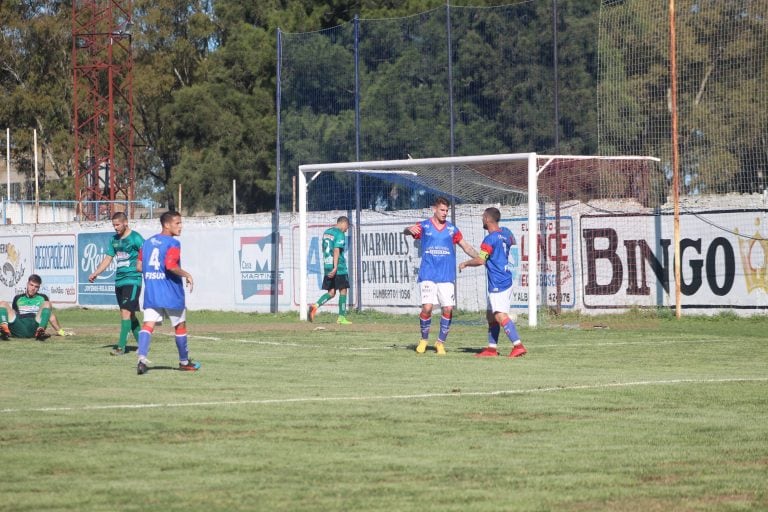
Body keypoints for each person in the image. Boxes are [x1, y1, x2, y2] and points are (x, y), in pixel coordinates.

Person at [403, 197, 478, 355]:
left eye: (446, 211)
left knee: (448, 308)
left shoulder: (452, 229)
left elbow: (466, 246)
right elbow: (407, 231)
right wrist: (408, 229)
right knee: (427, 307)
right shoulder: (424, 226)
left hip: (446, 275)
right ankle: (424, 340)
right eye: (442, 210)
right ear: (434, 209)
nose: (445, 213)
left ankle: (440, 343)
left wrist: (479, 257)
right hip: (428, 273)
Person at [135, 211, 199, 375]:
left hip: (153, 291)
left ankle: (141, 359)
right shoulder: (172, 243)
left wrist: (153, 275)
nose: (180, 226)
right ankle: (184, 362)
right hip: (171, 291)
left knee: (148, 325)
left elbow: (139, 267)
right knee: (180, 326)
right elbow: (170, 266)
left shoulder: (147, 243)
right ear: (167, 225)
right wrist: (187, 274)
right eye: (177, 223)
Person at [458, 207, 527, 358]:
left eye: (483, 217)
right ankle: (491, 349)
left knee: (499, 315)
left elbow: (481, 260)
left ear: (488, 219)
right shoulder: (506, 232)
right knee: (490, 315)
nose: (482, 219)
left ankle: (518, 345)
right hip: (506, 277)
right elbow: (512, 242)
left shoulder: (489, 239)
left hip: (498, 281)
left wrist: (466, 263)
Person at [88, 211, 145, 356]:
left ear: (125, 223)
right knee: (130, 315)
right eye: (113, 225)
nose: (115, 228)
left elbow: (146, 253)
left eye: (117, 224)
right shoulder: (114, 240)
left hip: (133, 280)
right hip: (119, 281)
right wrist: (96, 273)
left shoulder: (136, 238)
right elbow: (108, 259)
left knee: (125, 313)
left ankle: (121, 347)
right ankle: (144, 345)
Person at [308, 216, 352, 325]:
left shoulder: (327, 232)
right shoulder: (340, 234)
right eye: (347, 227)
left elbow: (324, 248)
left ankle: (315, 306)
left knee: (332, 292)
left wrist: (329, 264)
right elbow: (336, 250)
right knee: (343, 290)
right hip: (338, 267)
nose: (346, 230)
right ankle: (341, 317)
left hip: (327, 265)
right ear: (343, 223)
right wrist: (336, 266)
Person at [0, 274, 70, 341]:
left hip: (35, 325)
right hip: (19, 325)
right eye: (31, 285)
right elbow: (13, 314)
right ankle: (5, 330)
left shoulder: (43, 297)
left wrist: (60, 331)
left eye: (36, 287)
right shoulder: (17, 298)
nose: (33, 288)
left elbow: (50, 315)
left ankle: (40, 331)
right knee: (3, 303)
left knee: (47, 304)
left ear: (39, 288)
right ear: (27, 284)